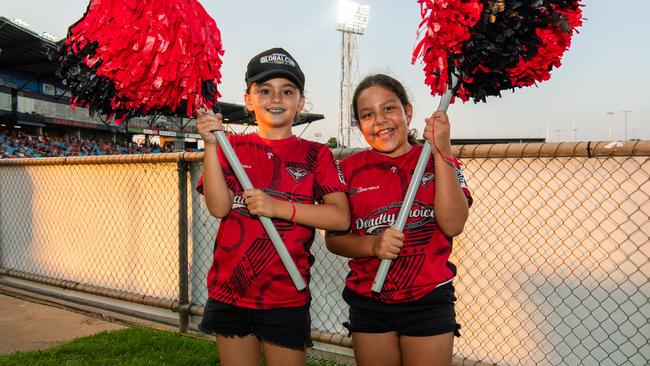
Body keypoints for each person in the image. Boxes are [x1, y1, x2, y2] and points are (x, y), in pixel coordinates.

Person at [195, 47, 349, 366]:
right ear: (248, 99)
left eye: (287, 91)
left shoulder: (316, 154)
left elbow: (339, 217)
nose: (276, 99)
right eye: (264, 90)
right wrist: (211, 145)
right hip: (230, 291)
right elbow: (219, 208)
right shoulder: (230, 146)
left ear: (301, 101)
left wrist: (277, 207)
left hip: (285, 294)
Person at [326, 74, 472, 366]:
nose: (379, 120)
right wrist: (373, 246)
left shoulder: (439, 161)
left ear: (407, 112)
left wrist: (442, 150)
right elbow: (334, 240)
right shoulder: (347, 170)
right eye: (368, 114)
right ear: (359, 124)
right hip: (369, 300)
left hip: (428, 297)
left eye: (389, 108)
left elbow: (453, 224)